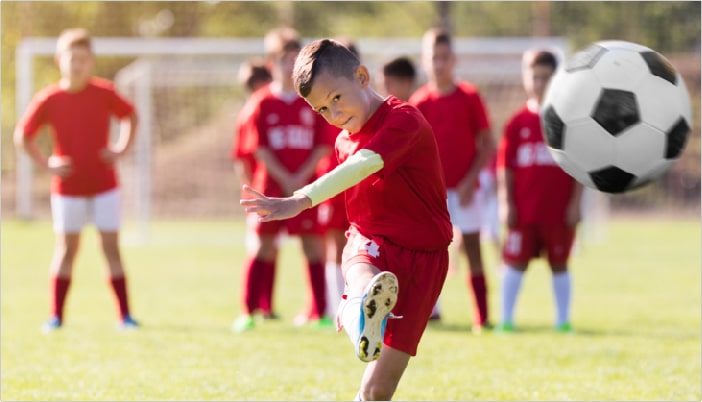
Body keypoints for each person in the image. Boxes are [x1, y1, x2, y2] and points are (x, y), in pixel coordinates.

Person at [241, 38, 452, 401]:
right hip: (370, 241)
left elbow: (364, 164)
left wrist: (299, 200)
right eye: (322, 110)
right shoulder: (343, 141)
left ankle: (364, 315)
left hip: (426, 258)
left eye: (336, 98)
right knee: (362, 274)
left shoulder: (404, 119)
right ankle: (362, 310)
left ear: (363, 76)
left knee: (376, 390)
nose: (334, 115)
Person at [14, 28, 139, 333]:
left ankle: (124, 316)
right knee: (67, 250)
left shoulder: (104, 92)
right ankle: (55, 316)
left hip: (104, 186)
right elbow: (23, 136)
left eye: (83, 59)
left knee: (111, 248)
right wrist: (48, 164)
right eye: (72, 58)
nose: (77, 64)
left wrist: (121, 148)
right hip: (67, 190)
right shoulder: (50, 98)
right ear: (60, 60)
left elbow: (131, 116)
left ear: (91, 62)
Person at [232, 27, 332, 333]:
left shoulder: (311, 101)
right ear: (271, 62)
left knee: (313, 247)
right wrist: (285, 176)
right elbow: (258, 149)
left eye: (295, 59)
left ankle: (319, 312)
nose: (289, 66)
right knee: (262, 247)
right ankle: (249, 311)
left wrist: (301, 177)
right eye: (283, 59)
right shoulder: (261, 103)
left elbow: (322, 146)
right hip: (271, 188)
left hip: (304, 189)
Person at [409, 27, 496, 332]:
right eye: (433, 58)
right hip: (432, 195)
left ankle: (482, 316)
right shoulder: (419, 102)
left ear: (454, 59)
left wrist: (473, 180)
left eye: (444, 57)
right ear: (425, 61)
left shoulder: (469, 96)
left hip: (465, 189)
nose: (439, 64)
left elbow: (488, 143)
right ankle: (430, 311)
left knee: (472, 247)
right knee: (429, 253)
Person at [496, 49, 584, 333]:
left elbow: (579, 166)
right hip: (524, 210)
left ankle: (563, 320)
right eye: (535, 77)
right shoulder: (517, 123)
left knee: (559, 263)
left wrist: (575, 203)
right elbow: (505, 167)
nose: (540, 83)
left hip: (558, 210)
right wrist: (506, 203)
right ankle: (506, 319)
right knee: (514, 263)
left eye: (546, 77)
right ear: (526, 78)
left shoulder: (567, 122)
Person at [231, 57, 277, 319]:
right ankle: (248, 307)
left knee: (270, 247)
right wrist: (249, 189)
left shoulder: (261, 106)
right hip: (258, 191)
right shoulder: (253, 109)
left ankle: (265, 306)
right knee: (260, 246)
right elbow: (241, 157)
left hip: (264, 190)